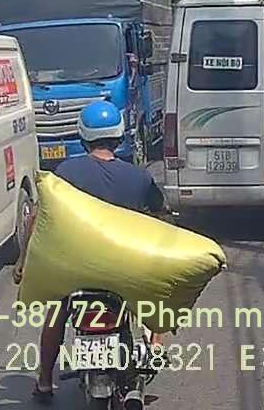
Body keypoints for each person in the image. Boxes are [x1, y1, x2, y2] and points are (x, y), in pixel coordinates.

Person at [11, 100, 164, 403]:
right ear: (119, 135)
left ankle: (44, 381)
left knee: (56, 312)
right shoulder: (140, 177)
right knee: (155, 300)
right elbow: (159, 220)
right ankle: (155, 351)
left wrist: (22, 261)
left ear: (83, 136)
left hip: (76, 271)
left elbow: (37, 217)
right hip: (125, 269)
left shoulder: (65, 172)